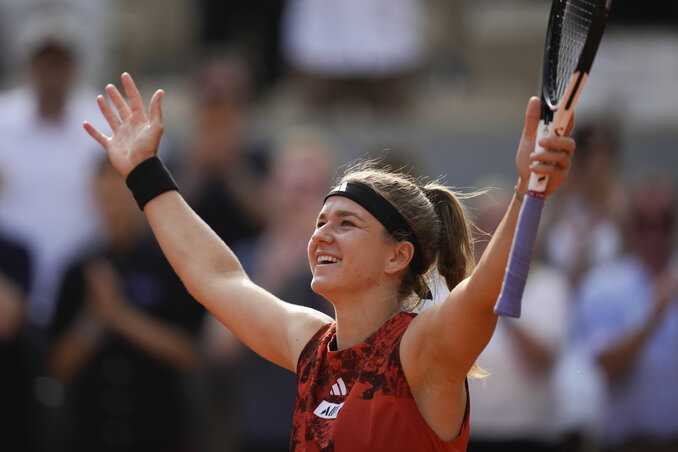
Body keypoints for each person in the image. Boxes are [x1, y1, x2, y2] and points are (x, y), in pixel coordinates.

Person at [83, 72, 574, 451]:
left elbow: (484, 290)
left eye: (346, 223)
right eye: (321, 221)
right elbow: (217, 277)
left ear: (397, 255)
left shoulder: (423, 349)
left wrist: (529, 193)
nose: (321, 235)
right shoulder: (312, 346)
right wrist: (145, 172)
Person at [47, 158, 205, 451]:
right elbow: (58, 368)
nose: (115, 208)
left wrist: (120, 316)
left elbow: (189, 354)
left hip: (159, 434)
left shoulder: (172, 264)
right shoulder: (77, 269)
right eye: (107, 197)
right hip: (91, 434)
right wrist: (94, 320)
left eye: (122, 197)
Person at [572, 177, 678, 452]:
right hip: (629, 443)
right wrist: (653, 316)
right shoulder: (604, 286)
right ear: (630, 226)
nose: (654, 232)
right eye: (645, 222)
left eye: (663, 221)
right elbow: (608, 365)